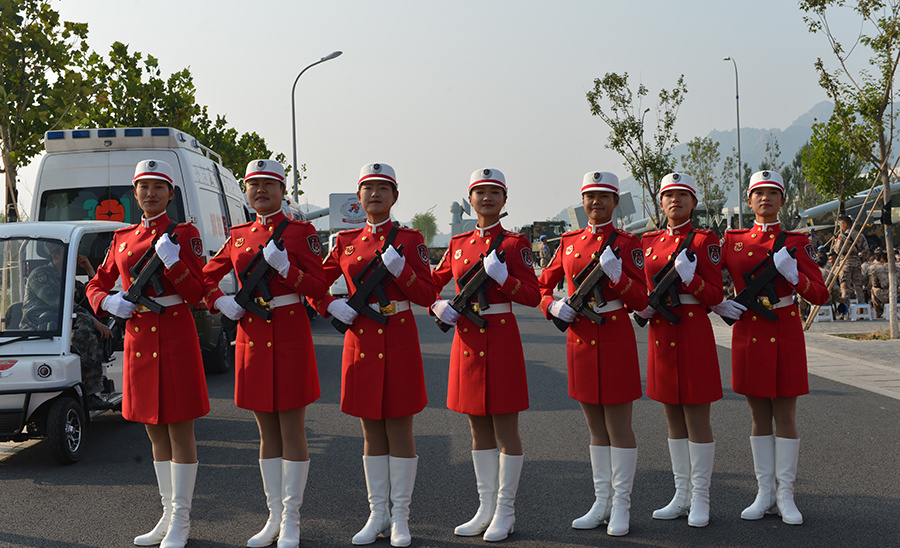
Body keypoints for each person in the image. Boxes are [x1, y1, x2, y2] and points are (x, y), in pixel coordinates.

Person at [86, 159, 210, 548]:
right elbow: (95, 284)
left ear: (170, 194)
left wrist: (173, 263)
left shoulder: (184, 234)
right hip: (140, 340)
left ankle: (182, 520)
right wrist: (108, 303)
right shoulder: (122, 237)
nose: (151, 194)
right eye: (144, 187)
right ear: (135, 193)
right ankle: (167, 513)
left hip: (175, 333)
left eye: (159, 187)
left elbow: (197, 295)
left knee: (180, 428)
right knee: (154, 429)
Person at [203, 160, 326, 548]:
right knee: (265, 432)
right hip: (253, 336)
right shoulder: (239, 235)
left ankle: (292, 519)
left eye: (267, 184)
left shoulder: (301, 233)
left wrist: (287, 269)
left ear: (282, 189)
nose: (260, 191)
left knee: (291, 429)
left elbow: (320, 286)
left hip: (289, 333)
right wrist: (219, 301)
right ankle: (273, 516)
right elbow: (206, 275)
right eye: (253, 185)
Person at [313, 163, 435, 548]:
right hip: (361, 342)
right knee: (370, 430)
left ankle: (400, 516)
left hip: (398, 338)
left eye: (383, 188)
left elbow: (428, 295)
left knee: (399, 427)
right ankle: (376, 513)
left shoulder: (409, 239)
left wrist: (404, 274)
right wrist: (329, 306)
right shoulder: (346, 240)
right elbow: (313, 280)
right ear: (359, 197)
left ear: (395, 197)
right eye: (368, 188)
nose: (375, 194)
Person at [711, 171, 829, 526]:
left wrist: (795, 276)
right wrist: (715, 303)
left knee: (786, 416)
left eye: (772, 193)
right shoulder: (732, 240)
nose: (765, 199)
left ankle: (786, 494)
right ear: (748, 201)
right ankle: (764, 492)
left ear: (782, 200)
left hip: (785, 328)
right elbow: (706, 276)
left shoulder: (796, 241)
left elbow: (820, 294)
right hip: (749, 331)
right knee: (759, 416)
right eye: (758, 193)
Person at [431, 168, 540, 542]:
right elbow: (434, 281)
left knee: (506, 428)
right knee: (477, 426)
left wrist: (503, 279)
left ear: (505, 200)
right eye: (480, 192)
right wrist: (435, 305)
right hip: (467, 339)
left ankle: (505, 511)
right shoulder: (458, 243)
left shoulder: (514, 244)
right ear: (470, 199)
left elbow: (531, 295)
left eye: (495, 192)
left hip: (501, 335)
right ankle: (485, 506)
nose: (487, 198)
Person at [536, 171, 647, 536]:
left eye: (603, 197)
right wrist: (551, 306)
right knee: (595, 428)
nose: (596, 203)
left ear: (616, 202)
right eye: (590, 197)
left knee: (618, 427)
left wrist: (619, 278)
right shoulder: (568, 242)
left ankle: (622, 506)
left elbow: (641, 301)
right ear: (582, 203)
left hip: (613, 332)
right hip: (580, 338)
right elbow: (541, 286)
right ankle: (601, 503)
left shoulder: (628, 243)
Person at [635, 173, 723, 528]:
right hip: (661, 331)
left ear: (694, 203)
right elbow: (644, 286)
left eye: (682, 196)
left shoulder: (704, 241)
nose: (675, 201)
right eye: (669, 196)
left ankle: (701, 497)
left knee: (697, 417)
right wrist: (642, 305)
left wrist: (692, 279)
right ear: (660, 203)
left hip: (692, 330)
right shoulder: (649, 242)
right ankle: (681, 493)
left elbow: (715, 296)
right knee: (672, 417)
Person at [21, 245, 111, 409]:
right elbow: (64, 305)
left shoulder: (68, 278)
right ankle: (86, 391)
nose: (74, 257)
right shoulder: (41, 275)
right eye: (68, 254)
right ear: (54, 255)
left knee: (84, 323)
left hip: (61, 325)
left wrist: (90, 269)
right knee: (84, 327)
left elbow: (91, 297)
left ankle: (89, 392)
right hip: (38, 325)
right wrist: (96, 323)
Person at [830, 215, 869, 304]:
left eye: (842, 225)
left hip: (846, 263)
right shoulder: (860, 235)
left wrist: (836, 242)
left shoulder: (842, 237)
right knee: (858, 286)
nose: (841, 227)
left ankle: (845, 309)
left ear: (845, 225)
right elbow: (866, 249)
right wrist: (860, 258)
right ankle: (861, 308)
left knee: (845, 287)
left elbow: (837, 250)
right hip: (857, 262)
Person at [869, 251, 893, 318]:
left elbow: (875, 284)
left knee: (873, 289)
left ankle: (878, 312)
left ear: (881, 261)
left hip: (886, 295)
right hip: (898, 294)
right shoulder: (898, 269)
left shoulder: (878, 270)